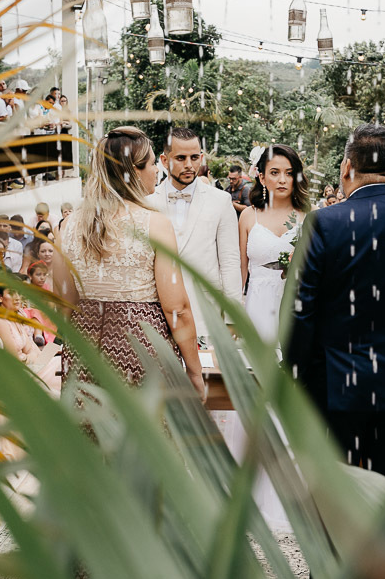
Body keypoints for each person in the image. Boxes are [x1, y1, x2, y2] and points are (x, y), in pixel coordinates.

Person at [288, 123, 385, 477]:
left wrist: (296, 375)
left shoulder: (324, 222)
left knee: (333, 494)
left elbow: (300, 310)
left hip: (335, 385)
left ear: (347, 167)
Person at [52, 126, 204, 396]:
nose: (158, 170)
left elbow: (64, 301)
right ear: (133, 171)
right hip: (141, 347)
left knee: (91, 432)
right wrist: (194, 371)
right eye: (152, 164)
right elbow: (177, 309)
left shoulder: (70, 224)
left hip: (84, 349)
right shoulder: (154, 224)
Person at [147, 127, 240, 339]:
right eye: (180, 158)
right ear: (163, 160)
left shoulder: (221, 201)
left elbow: (230, 261)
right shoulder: (147, 203)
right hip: (157, 314)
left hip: (207, 314)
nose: (189, 165)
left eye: (194, 157)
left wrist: (233, 318)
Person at [239, 144, 310, 346]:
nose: (282, 180)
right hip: (257, 305)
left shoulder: (310, 215)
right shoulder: (248, 216)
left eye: (289, 173)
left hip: (297, 309)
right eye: (274, 173)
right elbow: (241, 273)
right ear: (261, 178)